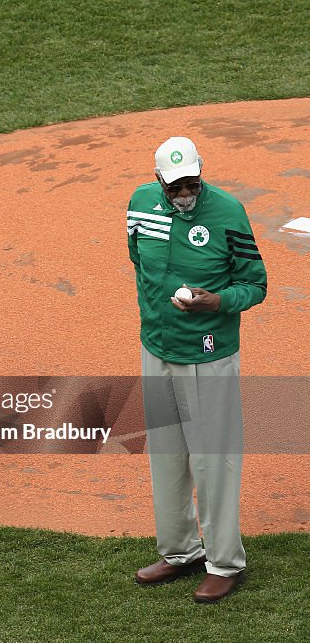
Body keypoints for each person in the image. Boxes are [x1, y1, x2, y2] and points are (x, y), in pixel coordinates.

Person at [127, 136, 266, 603]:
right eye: (174, 186)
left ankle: (225, 562)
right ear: (158, 181)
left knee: (214, 460)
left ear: (201, 174)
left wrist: (219, 301)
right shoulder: (140, 205)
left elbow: (255, 284)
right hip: (157, 348)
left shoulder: (228, 212)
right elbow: (137, 263)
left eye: (191, 183)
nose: (184, 193)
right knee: (166, 455)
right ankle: (180, 550)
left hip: (209, 354)